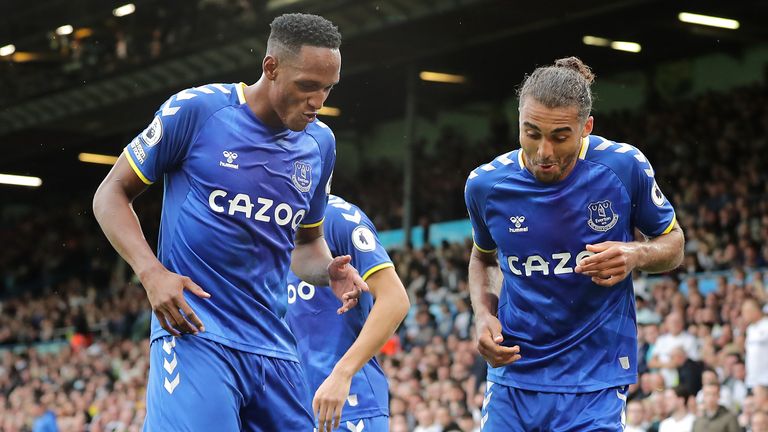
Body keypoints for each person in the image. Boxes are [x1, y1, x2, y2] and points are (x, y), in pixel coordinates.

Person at [93, 13, 368, 431]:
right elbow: (110, 193)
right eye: (307, 86)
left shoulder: (320, 144)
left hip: (274, 348)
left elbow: (305, 246)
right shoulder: (199, 111)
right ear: (271, 68)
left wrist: (329, 270)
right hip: (197, 334)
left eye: (328, 88)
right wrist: (151, 273)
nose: (318, 101)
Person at [464, 57, 684, 430]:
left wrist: (635, 254)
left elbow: (674, 244)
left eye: (560, 136)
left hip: (595, 376)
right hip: (516, 374)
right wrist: (484, 315)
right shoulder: (486, 186)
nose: (543, 152)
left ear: (586, 127)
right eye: (531, 133)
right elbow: (484, 260)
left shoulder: (623, 168)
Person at [285, 195, 410, 432]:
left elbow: (395, 300)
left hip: (347, 404)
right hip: (291, 404)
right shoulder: (266, 226)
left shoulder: (336, 216)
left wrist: (342, 374)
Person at [742, 298, 768, 389]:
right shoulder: (750, 329)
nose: (743, 315)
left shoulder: (766, 325)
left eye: (745, 312)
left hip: (765, 380)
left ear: (755, 310)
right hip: (752, 380)